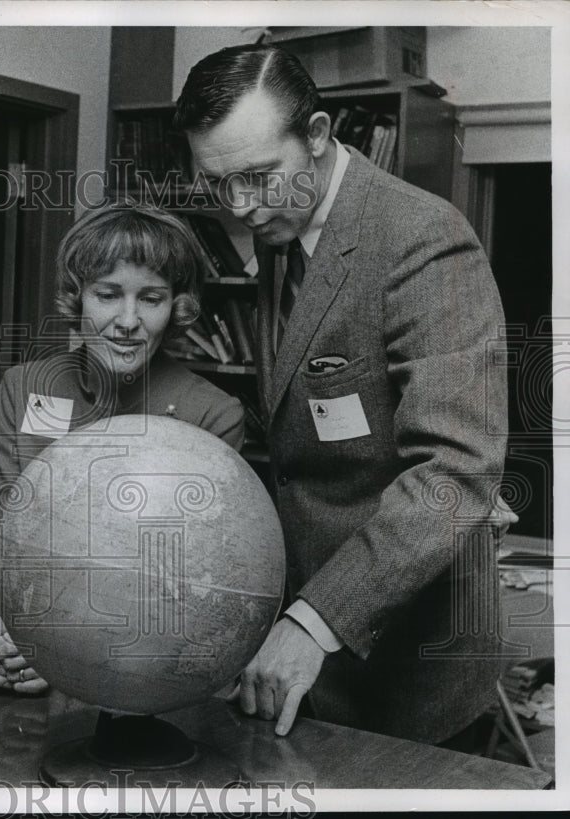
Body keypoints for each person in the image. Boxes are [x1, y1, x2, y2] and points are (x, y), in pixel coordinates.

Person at [174, 44, 514, 745]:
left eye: (259, 177)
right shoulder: (281, 230)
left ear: (321, 135)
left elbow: (454, 473)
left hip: (414, 667)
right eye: (218, 184)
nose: (240, 207)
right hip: (308, 662)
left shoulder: (423, 237)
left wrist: (314, 618)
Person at [0, 202, 246, 692]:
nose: (127, 320)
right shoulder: (24, 387)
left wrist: (61, 651)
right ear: (78, 297)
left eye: (151, 298)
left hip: (137, 675)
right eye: (108, 295)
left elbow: (189, 590)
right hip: (16, 663)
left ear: (176, 307)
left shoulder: (213, 416)